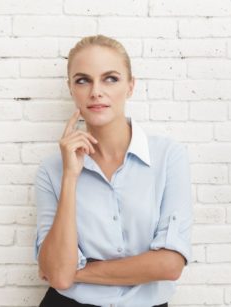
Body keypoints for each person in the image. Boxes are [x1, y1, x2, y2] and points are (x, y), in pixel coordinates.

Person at [34, 35, 193, 307]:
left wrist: (77, 272)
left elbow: (169, 264)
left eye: (110, 78)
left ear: (130, 86)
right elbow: (59, 278)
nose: (96, 91)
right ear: (71, 89)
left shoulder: (168, 157)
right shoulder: (52, 170)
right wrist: (71, 178)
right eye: (83, 80)